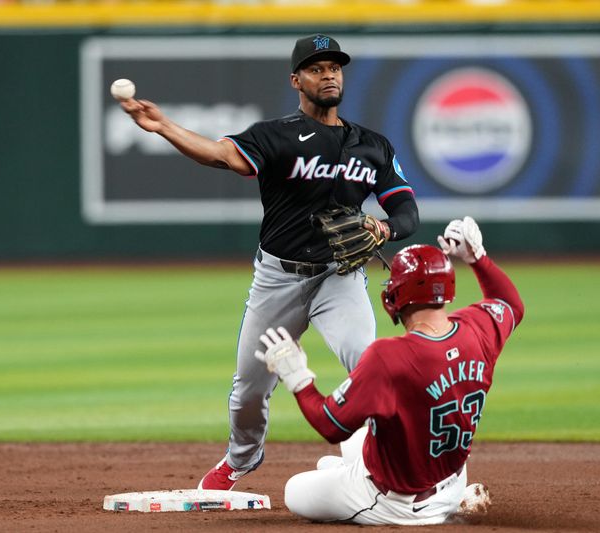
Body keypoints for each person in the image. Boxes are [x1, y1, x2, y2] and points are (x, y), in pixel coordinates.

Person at [118, 33, 419, 489]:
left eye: (335, 67)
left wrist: (383, 228)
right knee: (250, 389)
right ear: (296, 80)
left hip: (340, 278)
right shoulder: (274, 136)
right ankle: (240, 459)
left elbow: (407, 212)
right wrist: (164, 127)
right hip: (279, 278)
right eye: (317, 68)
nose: (329, 74)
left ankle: (396, 463)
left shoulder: (372, 145)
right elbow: (220, 155)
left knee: (368, 365)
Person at [254, 216, 524, 525]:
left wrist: (298, 377)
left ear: (397, 296)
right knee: (351, 442)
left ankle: (394, 496)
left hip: (397, 503)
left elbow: (329, 424)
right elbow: (509, 304)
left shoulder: (389, 357)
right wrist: (477, 258)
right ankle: (447, 498)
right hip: (452, 478)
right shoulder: (477, 327)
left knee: (295, 490)